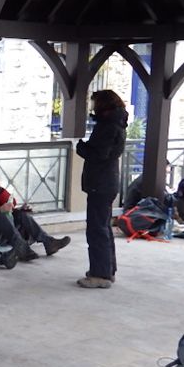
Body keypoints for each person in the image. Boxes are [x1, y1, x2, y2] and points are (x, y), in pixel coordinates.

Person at [0, 161, 71, 262]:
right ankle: (22, 249)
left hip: (3, 229)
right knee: (2, 217)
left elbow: (13, 202)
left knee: (20, 214)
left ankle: (48, 242)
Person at [75, 89, 128, 288]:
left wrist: (80, 147)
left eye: (95, 103)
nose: (92, 107)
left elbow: (99, 154)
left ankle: (100, 275)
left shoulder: (107, 126)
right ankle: (107, 270)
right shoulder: (117, 123)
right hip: (107, 182)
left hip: (100, 182)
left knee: (97, 229)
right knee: (104, 227)